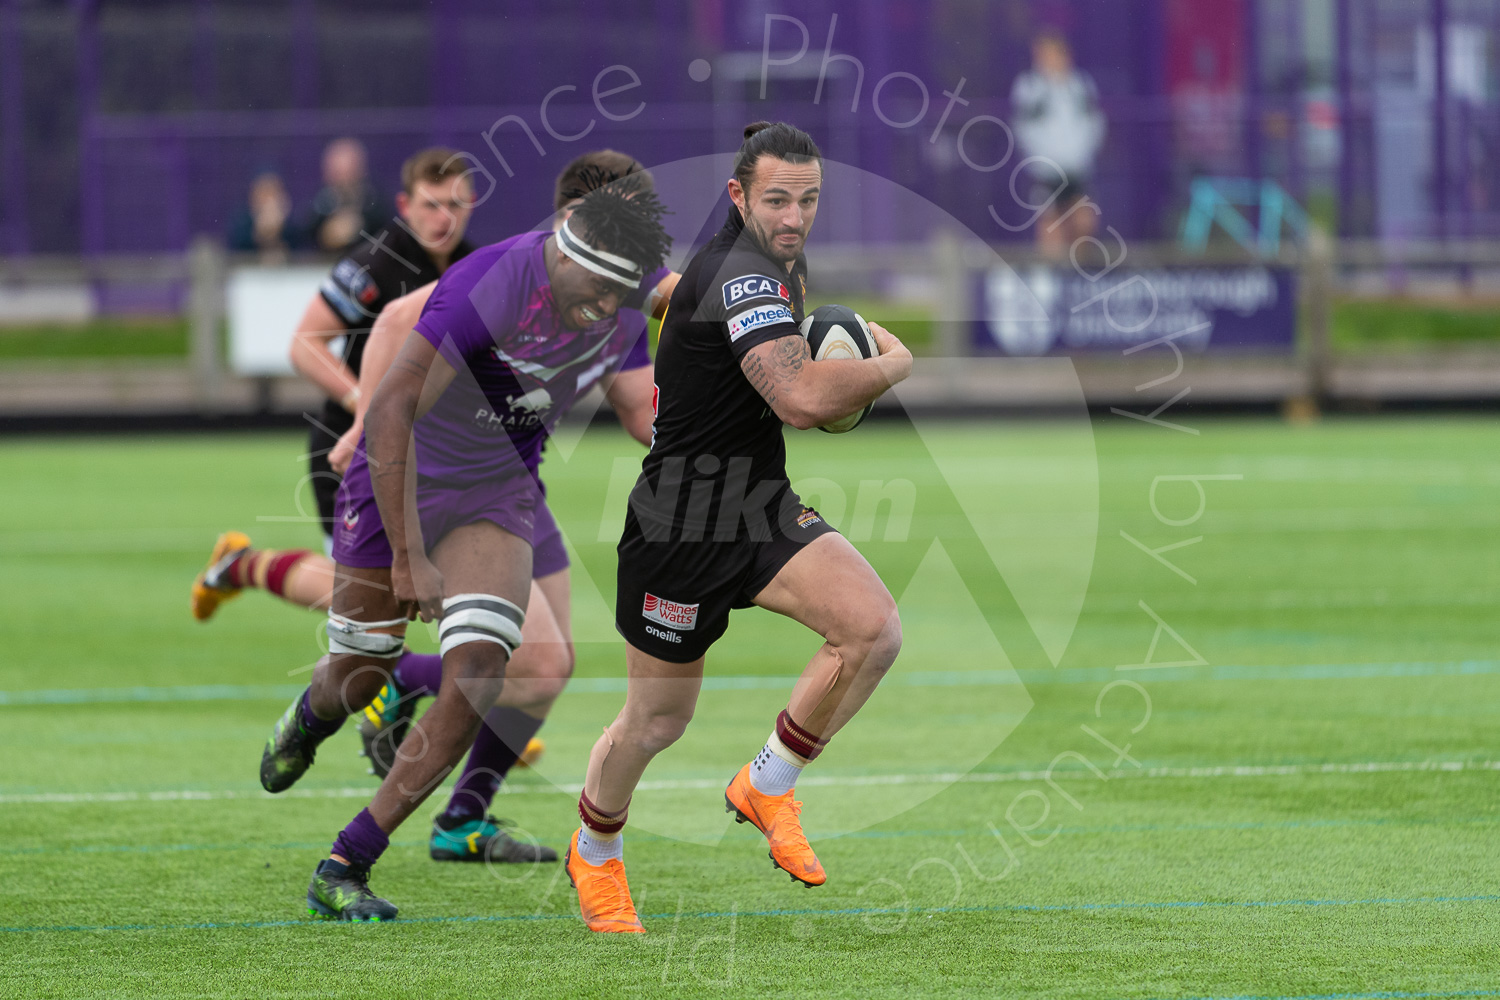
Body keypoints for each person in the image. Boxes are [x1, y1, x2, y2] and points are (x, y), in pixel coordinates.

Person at [188, 152, 676, 867]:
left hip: (507, 481)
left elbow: (647, 396)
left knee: (540, 664)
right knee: (370, 643)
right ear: (573, 221)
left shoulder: (619, 291)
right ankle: (309, 635)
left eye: (457, 204)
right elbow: (380, 330)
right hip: (403, 461)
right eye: (431, 204)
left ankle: (456, 817)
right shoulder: (480, 271)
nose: (444, 218)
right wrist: (361, 420)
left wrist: (732, 408)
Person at [566, 122, 912, 934]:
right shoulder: (744, 272)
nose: (794, 216)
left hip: (756, 502)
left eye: (809, 199)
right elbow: (799, 399)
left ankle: (768, 783)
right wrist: (892, 365)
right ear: (738, 197)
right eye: (778, 199)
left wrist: (662, 295)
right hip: (678, 524)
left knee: (872, 630)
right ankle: (596, 850)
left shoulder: (758, 260)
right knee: (655, 722)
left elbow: (698, 302)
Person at [1010, 29, 1106, 258]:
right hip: (1045, 171)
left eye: (1051, 54)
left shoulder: (1080, 85)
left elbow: (1095, 122)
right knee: (1050, 228)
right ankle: (1054, 279)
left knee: (1084, 224)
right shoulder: (1029, 85)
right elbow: (1023, 126)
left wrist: (1085, 153)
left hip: (1076, 169)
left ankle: (1078, 273)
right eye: (1042, 55)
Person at [304, 137, 393, 252]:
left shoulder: (377, 205)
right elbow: (304, 241)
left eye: (349, 172)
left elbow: (388, 237)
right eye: (338, 173)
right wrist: (326, 235)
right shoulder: (317, 207)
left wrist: (361, 227)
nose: (344, 181)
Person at [227, 171, 299, 262]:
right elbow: (238, 246)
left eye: (273, 192)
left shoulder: (293, 224)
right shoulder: (241, 222)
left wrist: (279, 230)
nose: (269, 199)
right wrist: (261, 233)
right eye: (264, 193)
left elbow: (300, 245)